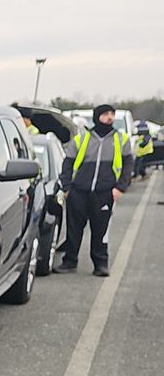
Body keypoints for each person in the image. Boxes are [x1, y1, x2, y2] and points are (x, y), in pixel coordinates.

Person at [58, 104, 132, 277]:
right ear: (97, 116)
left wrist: (120, 187)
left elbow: (128, 164)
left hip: (104, 192)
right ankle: (69, 262)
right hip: (79, 191)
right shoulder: (82, 138)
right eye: (105, 114)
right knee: (74, 229)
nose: (110, 117)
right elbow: (68, 163)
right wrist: (67, 187)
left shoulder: (121, 139)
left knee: (101, 230)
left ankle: (100, 264)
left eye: (112, 114)